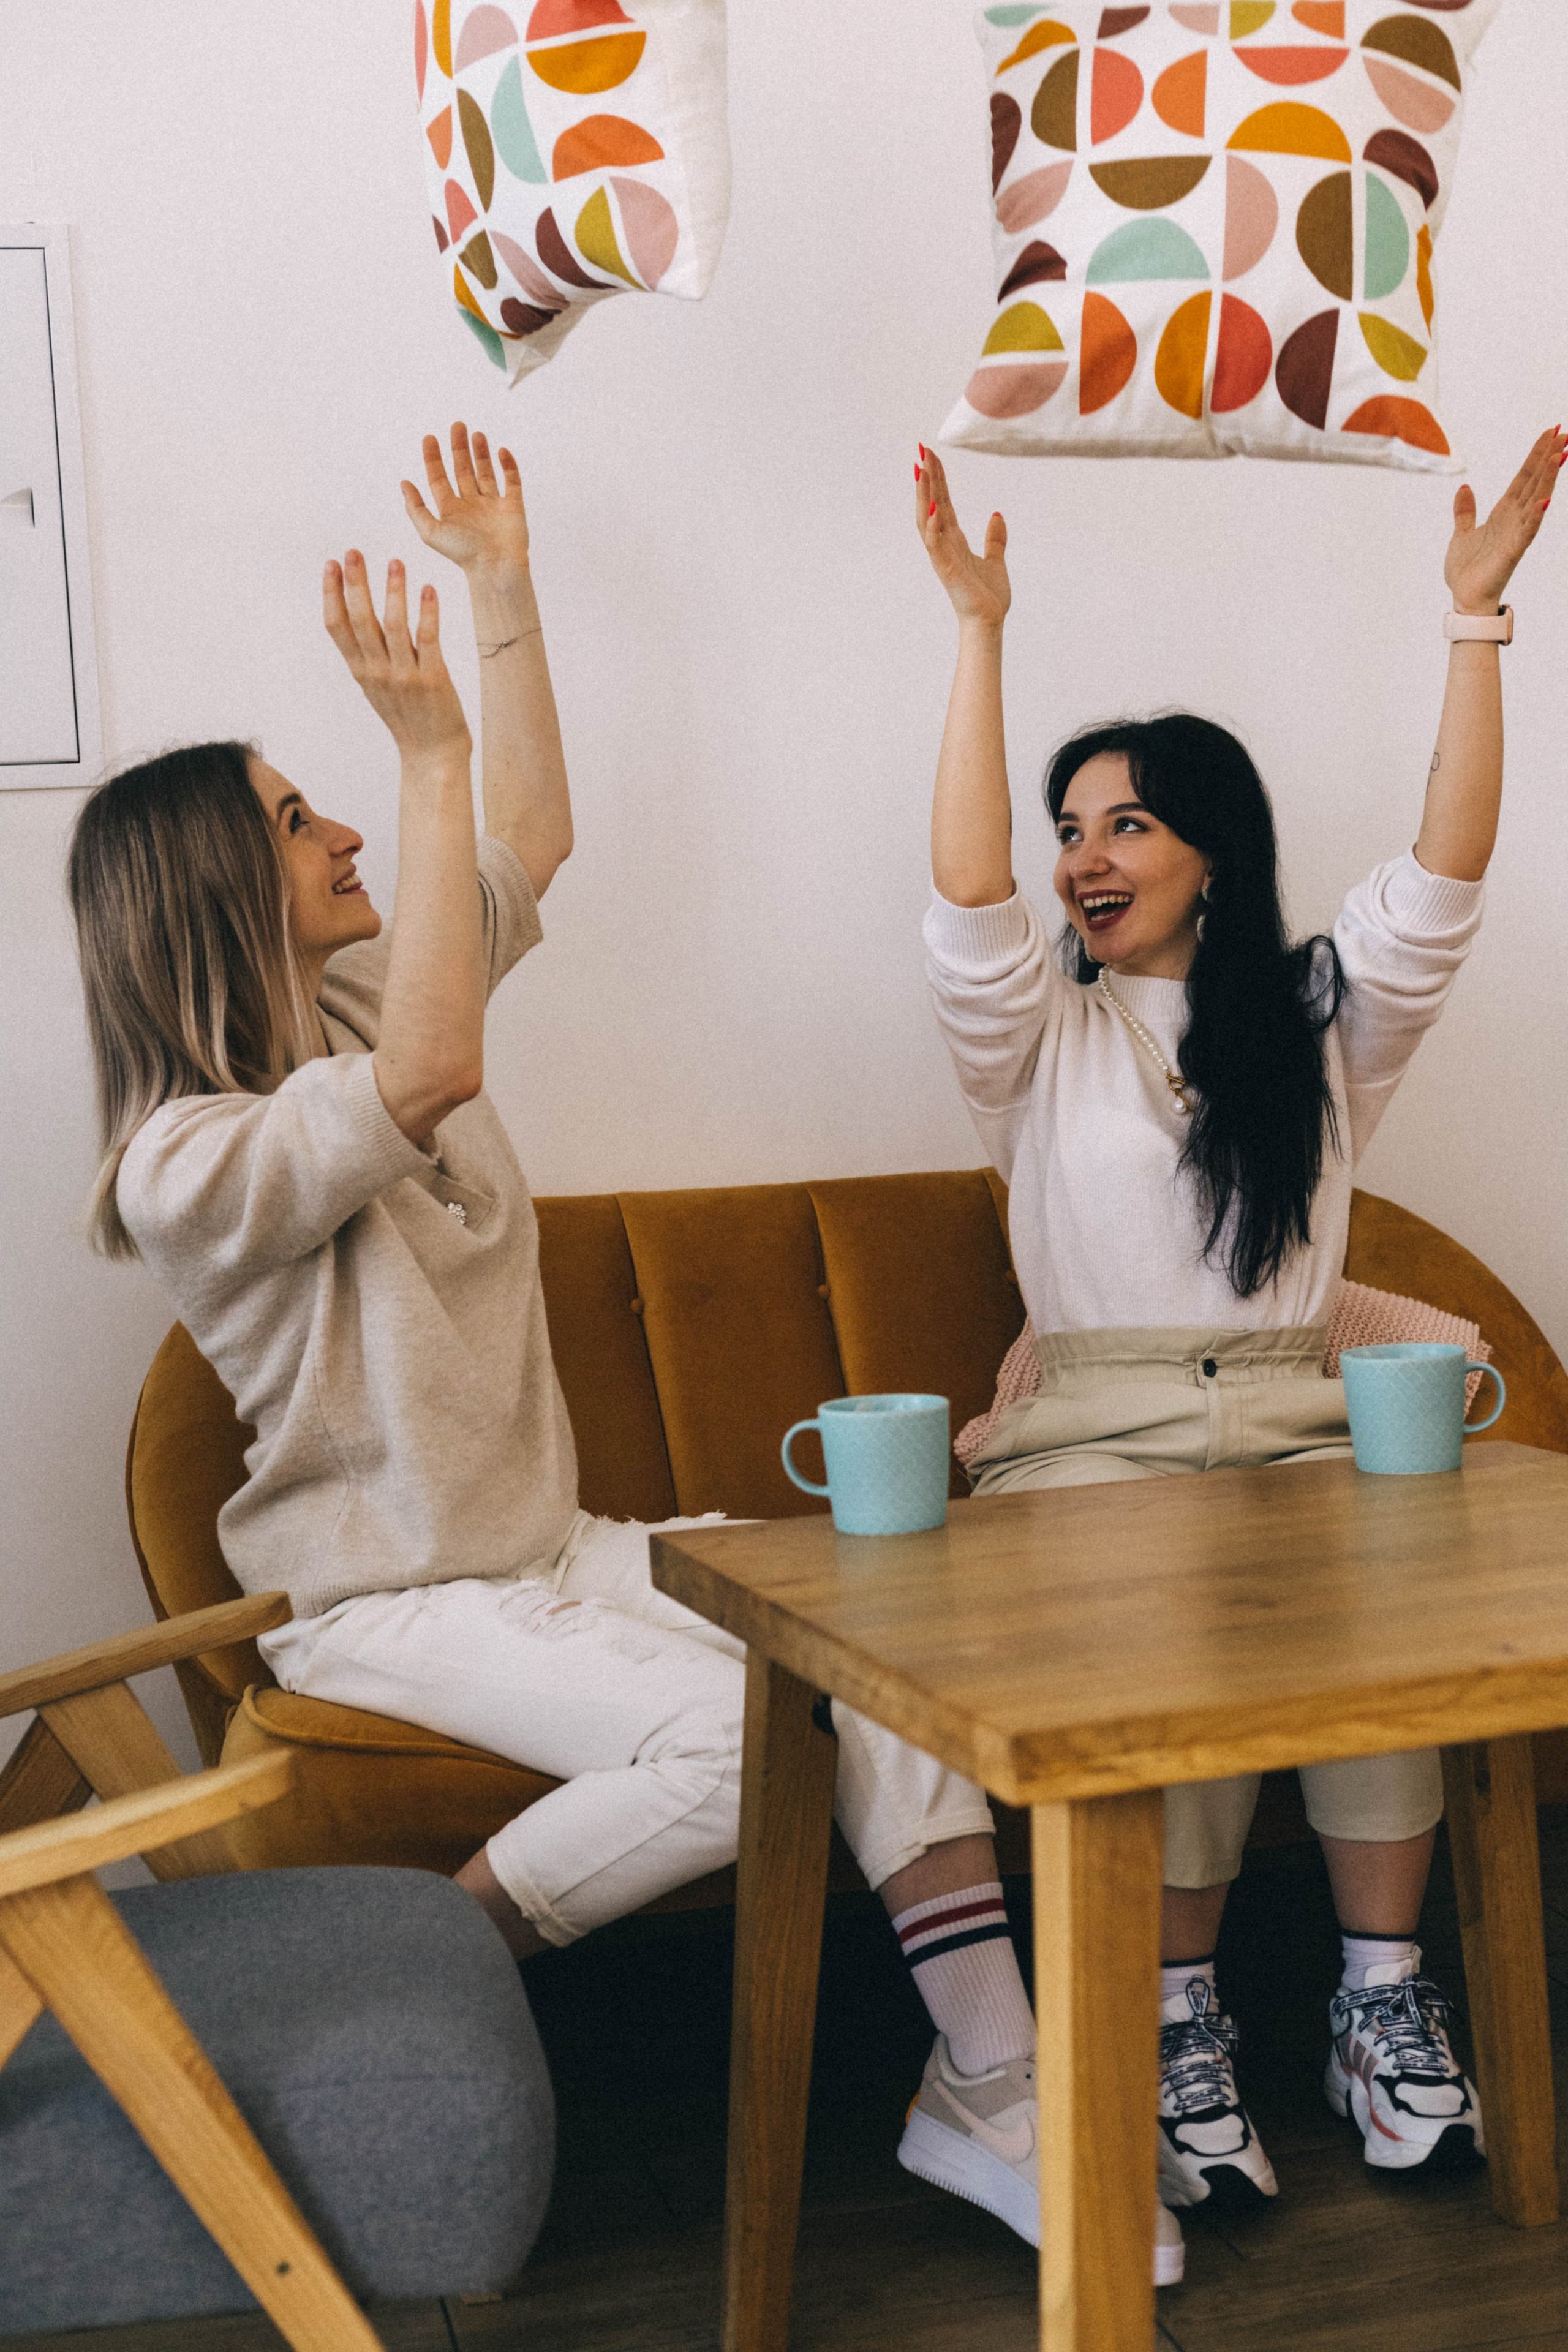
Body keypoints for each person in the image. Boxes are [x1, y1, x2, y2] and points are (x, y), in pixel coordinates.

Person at [67, 424, 1048, 2252]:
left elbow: (532, 838)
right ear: (206, 887)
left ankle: (996, 2088)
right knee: (739, 1744)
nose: (346, 826)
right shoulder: (190, 1159)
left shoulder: (368, 980)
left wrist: (501, 599)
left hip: (557, 1548)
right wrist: (422, 747)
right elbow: (434, 1073)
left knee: (870, 1647)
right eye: (300, 817)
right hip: (392, 1601)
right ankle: (448, 1948)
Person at [913, 425, 1564, 2282]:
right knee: (1165, 1627)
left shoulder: (1309, 1027)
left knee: (1382, 1619)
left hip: (1303, 1421)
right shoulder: (1037, 1032)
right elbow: (966, 905)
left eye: (1125, 821)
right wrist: (980, 631)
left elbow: (1442, 877)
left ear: (1213, 854)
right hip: (1097, 1438)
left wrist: (1474, 621)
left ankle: (1381, 2007)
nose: (1081, 856)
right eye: (1071, 824)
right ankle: (1177, 2023)